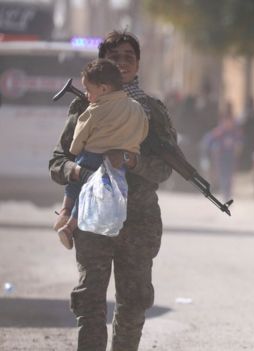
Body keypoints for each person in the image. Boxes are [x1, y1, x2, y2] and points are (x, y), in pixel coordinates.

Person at [49, 30, 177, 351]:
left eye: (128, 57)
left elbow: (165, 168)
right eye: (114, 57)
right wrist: (76, 170)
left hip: (138, 220)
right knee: (91, 305)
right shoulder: (85, 105)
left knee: (132, 306)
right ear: (102, 63)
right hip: (93, 220)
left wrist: (133, 162)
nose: (122, 63)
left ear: (138, 65)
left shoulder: (152, 110)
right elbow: (58, 160)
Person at [52, 58, 148, 249]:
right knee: (96, 195)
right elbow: (143, 130)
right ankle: (70, 222)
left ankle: (67, 217)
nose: (86, 95)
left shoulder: (95, 110)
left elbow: (80, 134)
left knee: (79, 187)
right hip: (117, 164)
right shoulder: (137, 108)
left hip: (91, 158)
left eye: (88, 90)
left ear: (103, 89)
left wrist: (75, 150)